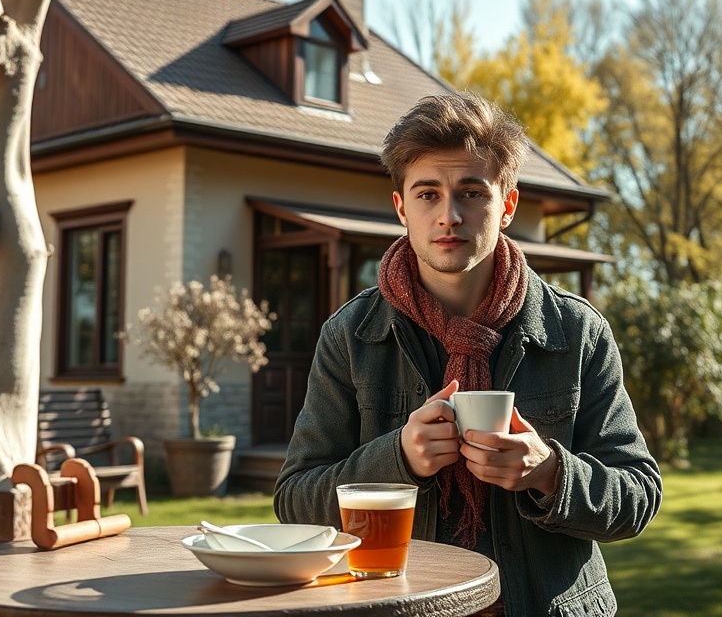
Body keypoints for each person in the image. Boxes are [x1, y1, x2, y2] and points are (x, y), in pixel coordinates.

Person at [274, 92, 662, 615]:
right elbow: (295, 501)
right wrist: (399, 460)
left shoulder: (576, 331)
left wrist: (549, 473)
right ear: (401, 208)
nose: (448, 216)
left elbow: (637, 495)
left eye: (471, 192)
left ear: (507, 205)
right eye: (427, 194)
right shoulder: (351, 335)